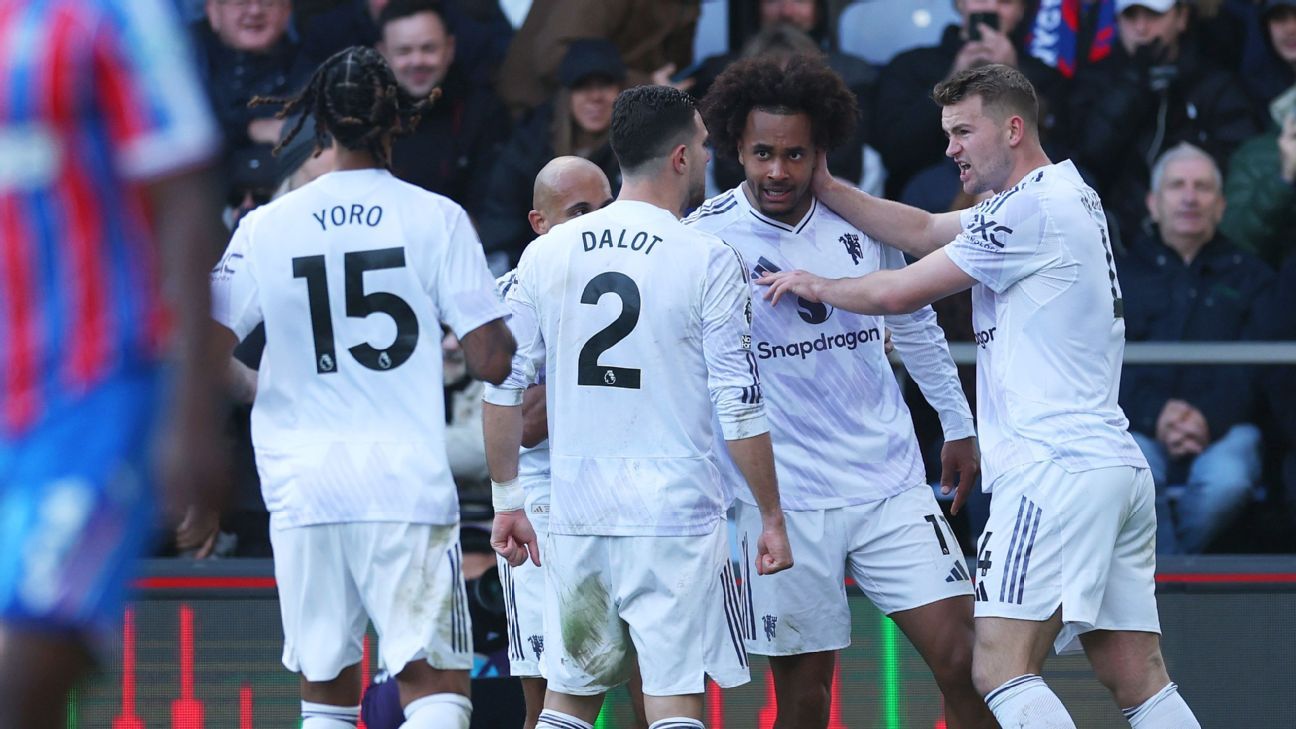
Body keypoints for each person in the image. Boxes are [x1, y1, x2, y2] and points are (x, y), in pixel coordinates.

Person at [758, 64, 1200, 728]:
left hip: (1052, 471)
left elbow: (899, 291)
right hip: (1110, 467)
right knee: (1136, 676)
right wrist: (827, 186)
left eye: (963, 132)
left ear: (1013, 128)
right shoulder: (1061, 194)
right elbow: (921, 230)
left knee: (997, 668)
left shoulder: (1032, 208)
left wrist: (815, 284)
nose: (951, 149)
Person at [210, 46, 516, 729]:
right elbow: (493, 360)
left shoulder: (265, 225)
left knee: (326, 693)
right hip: (403, 480)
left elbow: (201, 349)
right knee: (435, 684)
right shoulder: (436, 217)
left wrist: (262, 386)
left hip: (302, 481)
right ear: (398, 120)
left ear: (317, 122)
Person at [688, 54, 992, 729]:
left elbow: (914, 322)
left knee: (968, 662)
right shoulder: (703, 239)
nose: (777, 170)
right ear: (736, 145)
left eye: (794, 154)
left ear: (820, 150)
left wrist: (958, 423)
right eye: (762, 153)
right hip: (783, 500)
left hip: (888, 482)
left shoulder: (861, 217)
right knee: (803, 702)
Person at [484, 85, 793, 729]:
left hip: (577, 509)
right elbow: (738, 404)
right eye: (703, 145)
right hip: (673, 514)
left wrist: (508, 501)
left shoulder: (545, 252)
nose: (707, 157)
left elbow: (501, 388)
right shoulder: (707, 256)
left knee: (569, 699)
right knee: (672, 697)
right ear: (679, 157)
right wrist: (770, 514)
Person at [0, 0, 229, 726]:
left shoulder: (117, 15)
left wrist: (193, 412)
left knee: (28, 663)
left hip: (93, 391)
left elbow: (186, 198)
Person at [1118, 143, 1272, 555]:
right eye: (1177, 186)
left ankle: (1170, 574)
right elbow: (1102, 362)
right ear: (1153, 203)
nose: (1190, 197)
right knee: (1130, 479)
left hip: (1226, 430)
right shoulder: (1119, 277)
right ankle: (1180, 581)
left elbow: (1258, 370)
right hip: (1135, 427)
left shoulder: (1252, 276)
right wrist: (1156, 415)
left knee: (1229, 482)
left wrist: (1207, 417)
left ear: (1221, 206)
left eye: (1202, 187)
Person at [1067, 0, 1261, 245]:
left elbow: (1242, 165)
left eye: (1152, 15)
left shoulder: (1214, 84)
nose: (1141, 28)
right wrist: (1130, 89)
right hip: (1115, 240)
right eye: (1131, 16)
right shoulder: (1093, 82)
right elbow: (1083, 158)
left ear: (1181, 17)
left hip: (1199, 236)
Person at [873, 0, 1066, 200]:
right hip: (927, 195)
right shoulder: (911, 66)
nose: (991, 8)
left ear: (1021, 11)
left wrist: (1014, 74)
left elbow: (1056, 151)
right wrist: (952, 79)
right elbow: (896, 150)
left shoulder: (1046, 78)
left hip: (1023, 195)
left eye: (1005, 2)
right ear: (960, 3)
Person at [477, 39, 625, 270]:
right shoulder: (530, 144)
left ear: (621, 92)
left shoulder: (634, 150)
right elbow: (502, 220)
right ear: (566, 95)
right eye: (582, 86)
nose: (595, 96)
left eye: (605, 85)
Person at [377, 0, 511, 216]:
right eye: (404, 51)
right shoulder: (367, 116)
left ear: (450, 48)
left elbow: (493, 206)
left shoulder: (482, 112)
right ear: (383, 53)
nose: (417, 61)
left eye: (428, 48)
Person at [1220, 0, 1296, 267]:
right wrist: (1283, 179)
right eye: (1279, 18)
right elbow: (1234, 242)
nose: (1290, 28)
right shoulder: (1256, 148)